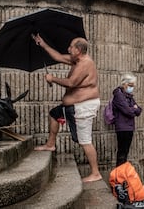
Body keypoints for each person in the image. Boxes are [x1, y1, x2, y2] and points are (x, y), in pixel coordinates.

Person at [32, 34, 102, 183]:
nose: (68, 49)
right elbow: (57, 56)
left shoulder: (85, 63)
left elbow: (71, 83)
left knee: (84, 140)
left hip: (83, 107)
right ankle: (50, 144)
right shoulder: (76, 60)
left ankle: (95, 173)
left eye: (71, 47)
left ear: (78, 49)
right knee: (54, 114)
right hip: (73, 106)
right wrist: (43, 44)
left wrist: (53, 79)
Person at [112, 73, 142, 166]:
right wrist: (134, 108)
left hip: (129, 127)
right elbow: (128, 111)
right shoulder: (119, 95)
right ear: (124, 84)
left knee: (124, 153)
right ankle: (119, 177)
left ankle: (121, 175)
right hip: (123, 127)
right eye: (130, 85)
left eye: (133, 86)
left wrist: (134, 108)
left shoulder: (129, 96)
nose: (132, 88)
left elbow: (139, 110)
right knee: (122, 153)